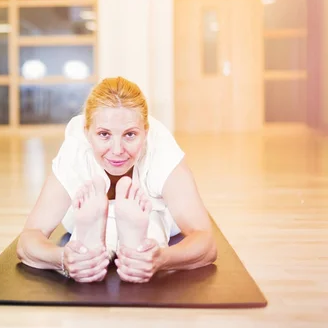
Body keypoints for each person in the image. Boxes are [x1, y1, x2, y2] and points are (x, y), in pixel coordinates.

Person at [16, 77, 217, 283]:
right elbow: (29, 237)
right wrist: (63, 258)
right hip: (84, 209)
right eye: (104, 134)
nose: (117, 150)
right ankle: (90, 249)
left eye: (130, 135)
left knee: (153, 220)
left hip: (155, 210)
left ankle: (136, 246)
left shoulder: (162, 152)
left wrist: (161, 258)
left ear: (146, 133)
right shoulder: (75, 152)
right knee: (88, 242)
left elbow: (206, 241)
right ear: (87, 132)